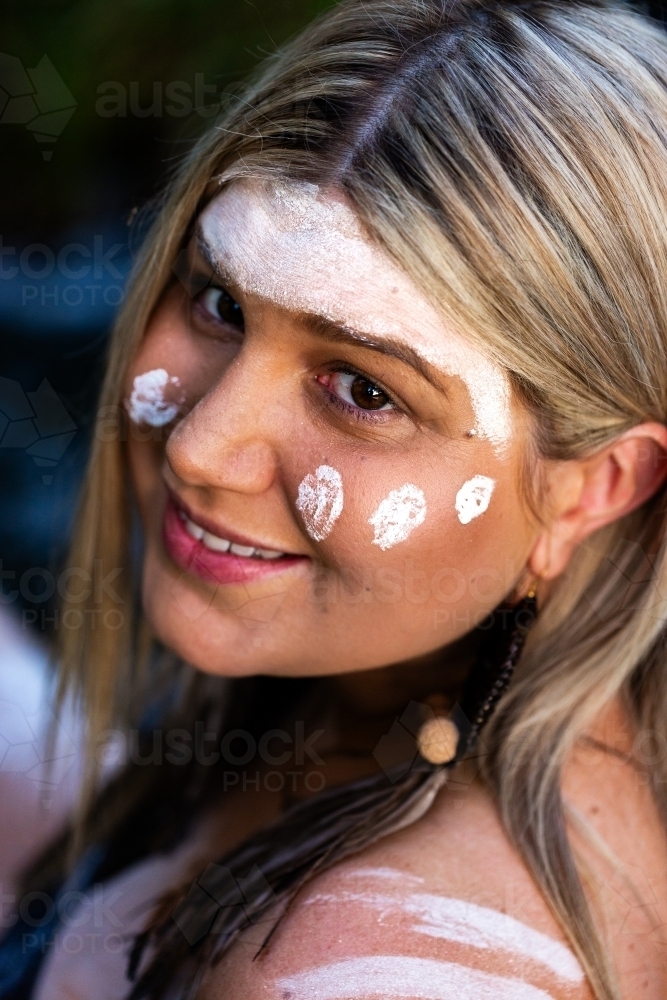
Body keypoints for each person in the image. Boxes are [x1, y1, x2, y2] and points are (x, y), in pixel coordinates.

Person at [3, 0, 667, 996]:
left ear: (591, 488)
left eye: (365, 389)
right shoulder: (360, 702)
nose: (200, 447)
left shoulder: (349, 969)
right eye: (220, 304)